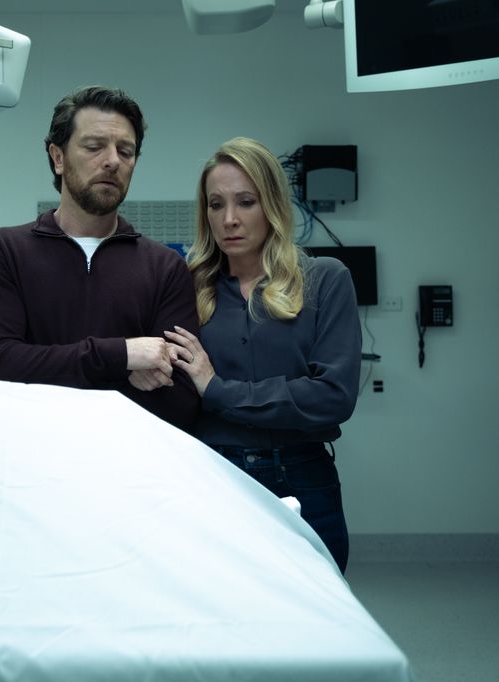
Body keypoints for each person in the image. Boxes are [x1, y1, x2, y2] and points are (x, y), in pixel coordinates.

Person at [165, 137, 361, 573]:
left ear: (271, 202)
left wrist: (217, 391)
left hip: (303, 477)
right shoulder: (186, 288)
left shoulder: (325, 280)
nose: (229, 219)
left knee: (317, 625)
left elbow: (333, 397)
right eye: (216, 205)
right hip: (215, 476)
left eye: (246, 202)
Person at [0, 85, 200, 431]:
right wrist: (124, 357)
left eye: (126, 151)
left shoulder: (165, 267)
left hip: (130, 467)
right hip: (30, 461)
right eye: (94, 147)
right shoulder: (4, 251)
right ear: (58, 157)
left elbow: (180, 399)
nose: (112, 161)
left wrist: (53, 368)